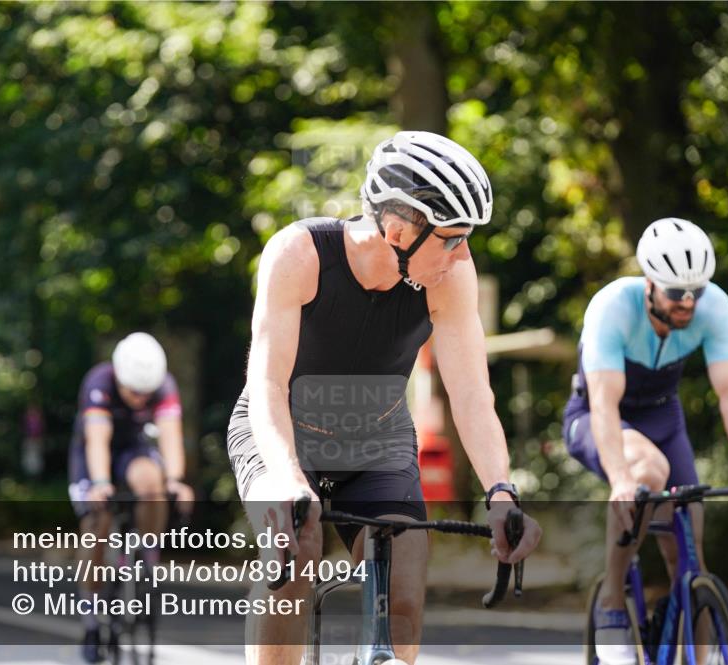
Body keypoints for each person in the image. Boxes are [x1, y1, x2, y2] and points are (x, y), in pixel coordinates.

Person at [226, 130, 542, 665]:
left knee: (406, 575)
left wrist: (501, 493)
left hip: (378, 437)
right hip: (280, 429)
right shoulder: (298, 254)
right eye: (452, 237)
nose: (464, 253)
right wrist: (285, 479)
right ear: (398, 231)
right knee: (294, 552)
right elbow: (267, 384)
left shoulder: (451, 277)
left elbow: (471, 395)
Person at [562, 218, 728, 665]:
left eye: (696, 292)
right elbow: (605, 404)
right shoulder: (612, 307)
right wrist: (621, 479)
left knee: (690, 555)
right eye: (675, 292)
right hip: (598, 416)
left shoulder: (714, 306)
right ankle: (611, 601)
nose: (688, 303)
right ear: (649, 283)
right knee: (648, 472)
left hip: (664, 418)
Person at [66, 332, 194, 663]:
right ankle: (92, 620)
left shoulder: (164, 385)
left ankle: (144, 556)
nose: (139, 399)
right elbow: (97, 440)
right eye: (132, 392)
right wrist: (99, 482)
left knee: (153, 482)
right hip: (94, 454)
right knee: (98, 519)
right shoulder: (99, 381)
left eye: (145, 394)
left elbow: (170, 437)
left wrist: (177, 481)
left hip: (134, 450)